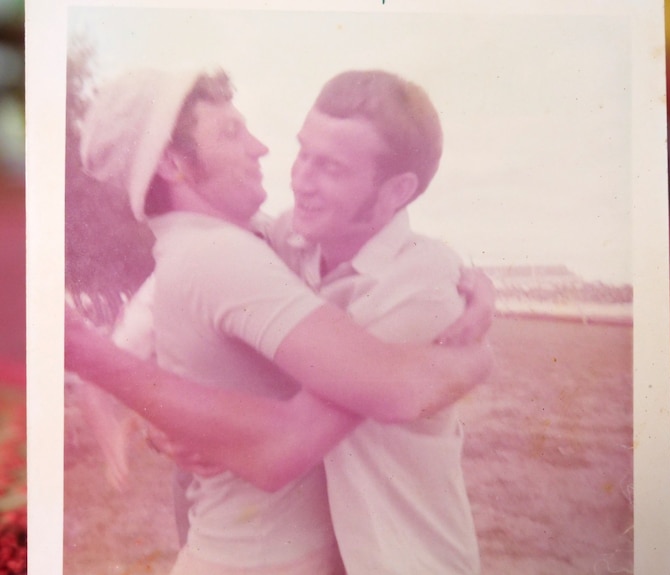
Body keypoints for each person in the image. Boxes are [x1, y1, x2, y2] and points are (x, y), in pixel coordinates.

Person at [67, 67, 493, 575]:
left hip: (405, 560)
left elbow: (302, 433)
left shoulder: (420, 279)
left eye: (330, 168)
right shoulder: (276, 243)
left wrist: (477, 357)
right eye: (303, 153)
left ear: (396, 191)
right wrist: (172, 426)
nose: (295, 174)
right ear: (173, 163)